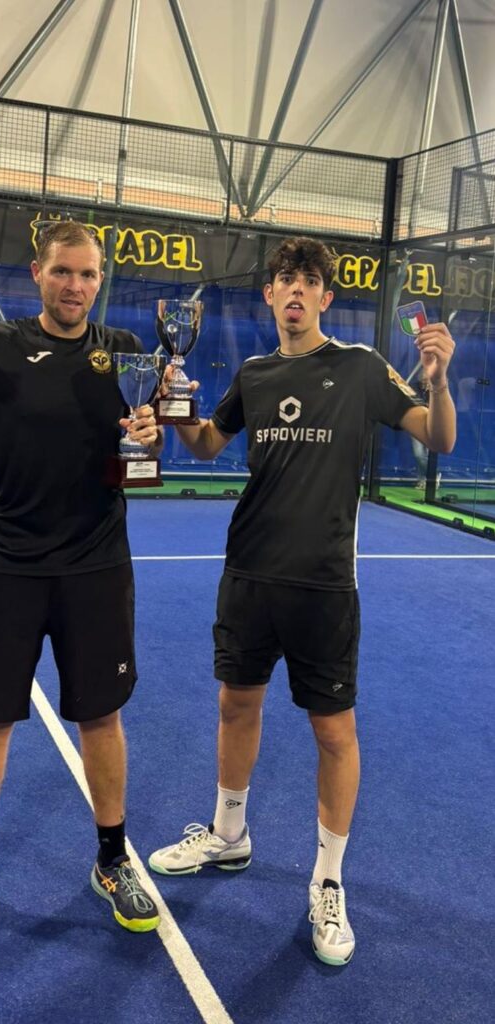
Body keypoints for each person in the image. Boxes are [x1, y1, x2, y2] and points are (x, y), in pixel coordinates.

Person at [148, 236, 456, 966]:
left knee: (333, 733)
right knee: (235, 704)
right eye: (284, 279)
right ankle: (229, 835)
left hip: (324, 585)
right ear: (269, 296)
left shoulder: (359, 368)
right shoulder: (253, 374)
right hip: (249, 574)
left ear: (325, 297)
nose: (294, 290)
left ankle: (326, 879)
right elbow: (205, 446)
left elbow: (435, 437)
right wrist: (172, 401)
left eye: (307, 281)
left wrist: (439, 382)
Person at [0, 220, 162, 953]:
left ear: (100, 280)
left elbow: (152, 444)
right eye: (63, 273)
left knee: (100, 720)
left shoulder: (127, 356)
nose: (75, 286)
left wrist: (151, 436)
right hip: (8, 566)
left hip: (97, 567)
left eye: (87, 275)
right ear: (37, 275)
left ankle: (113, 861)